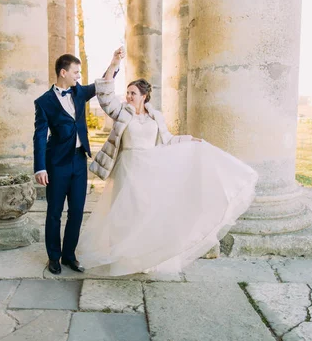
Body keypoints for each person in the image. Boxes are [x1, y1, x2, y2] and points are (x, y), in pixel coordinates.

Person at [78, 48, 259, 276]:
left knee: (146, 214)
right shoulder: (122, 112)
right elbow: (104, 96)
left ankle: (143, 258)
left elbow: (168, 140)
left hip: (150, 170)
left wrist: (191, 139)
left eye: (133, 93)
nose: (129, 96)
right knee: (125, 214)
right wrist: (114, 63)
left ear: (144, 96)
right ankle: (122, 256)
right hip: (127, 168)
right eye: (127, 92)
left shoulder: (156, 116)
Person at [33, 50, 123, 275]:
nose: (78, 76)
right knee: (54, 212)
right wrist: (40, 167)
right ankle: (53, 257)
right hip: (56, 164)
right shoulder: (43, 102)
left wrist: (113, 63)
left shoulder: (79, 92)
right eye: (75, 72)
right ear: (63, 72)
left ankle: (69, 255)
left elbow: (101, 84)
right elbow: (39, 136)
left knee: (77, 211)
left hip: (79, 162)